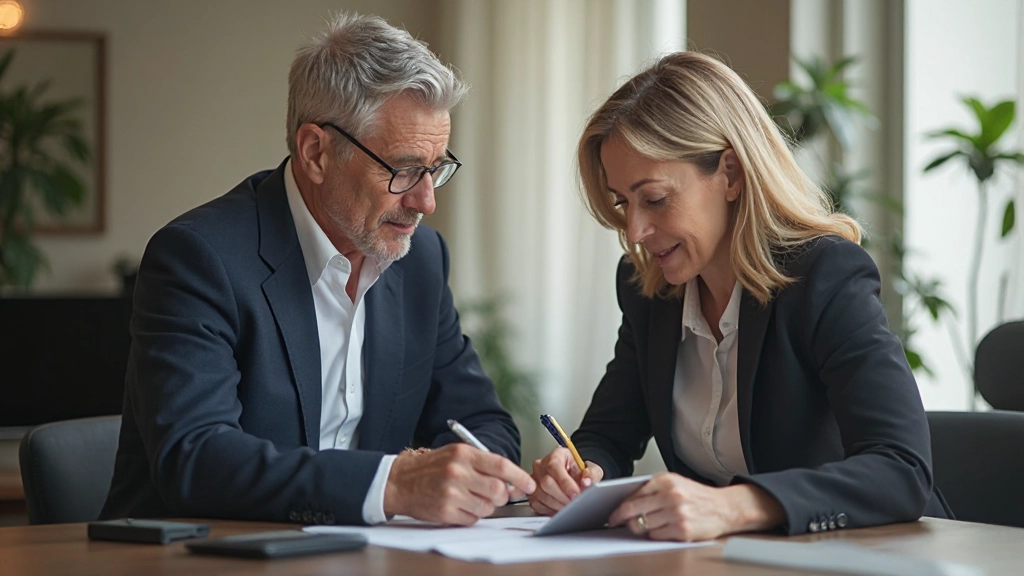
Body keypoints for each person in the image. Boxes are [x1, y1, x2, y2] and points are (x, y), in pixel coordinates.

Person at [101, 12, 534, 527]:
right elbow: (197, 457)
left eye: (435, 169)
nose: (425, 201)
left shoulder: (419, 261)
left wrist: (472, 472)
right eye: (402, 170)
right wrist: (391, 484)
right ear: (315, 152)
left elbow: (482, 423)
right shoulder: (198, 259)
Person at [528, 51, 951, 541]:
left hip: (868, 556)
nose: (636, 230)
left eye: (655, 198)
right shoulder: (648, 291)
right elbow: (607, 435)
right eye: (624, 202)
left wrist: (735, 507)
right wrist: (577, 473)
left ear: (730, 173)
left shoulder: (824, 277)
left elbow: (901, 470)